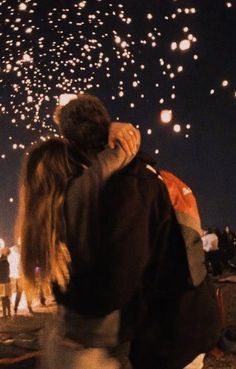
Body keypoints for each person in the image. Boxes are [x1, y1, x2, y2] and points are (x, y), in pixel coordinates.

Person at [53, 94, 220, 369]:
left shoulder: (128, 188)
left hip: (173, 334)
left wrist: (67, 302)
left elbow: (117, 280)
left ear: (76, 147)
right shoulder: (151, 172)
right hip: (192, 317)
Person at [16, 116, 140, 368]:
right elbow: (121, 153)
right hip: (88, 351)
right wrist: (109, 130)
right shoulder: (79, 202)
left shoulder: (44, 226)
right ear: (68, 170)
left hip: (62, 339)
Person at [8, 244, 33, 315]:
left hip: (22, 278)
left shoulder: (22, 261)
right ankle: (25, 307)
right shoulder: (23, 261)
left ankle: (20, 307)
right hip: (23, 278)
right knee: (24, 293)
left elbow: (19, 269)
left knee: (23, 293)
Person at [0, 243, 11, 318]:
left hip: (1, 282)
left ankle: (4, 314)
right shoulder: (6, 262)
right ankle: (9, 313)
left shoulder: (1, 262)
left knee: (3, 298)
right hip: (7, 281)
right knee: (6, 297)